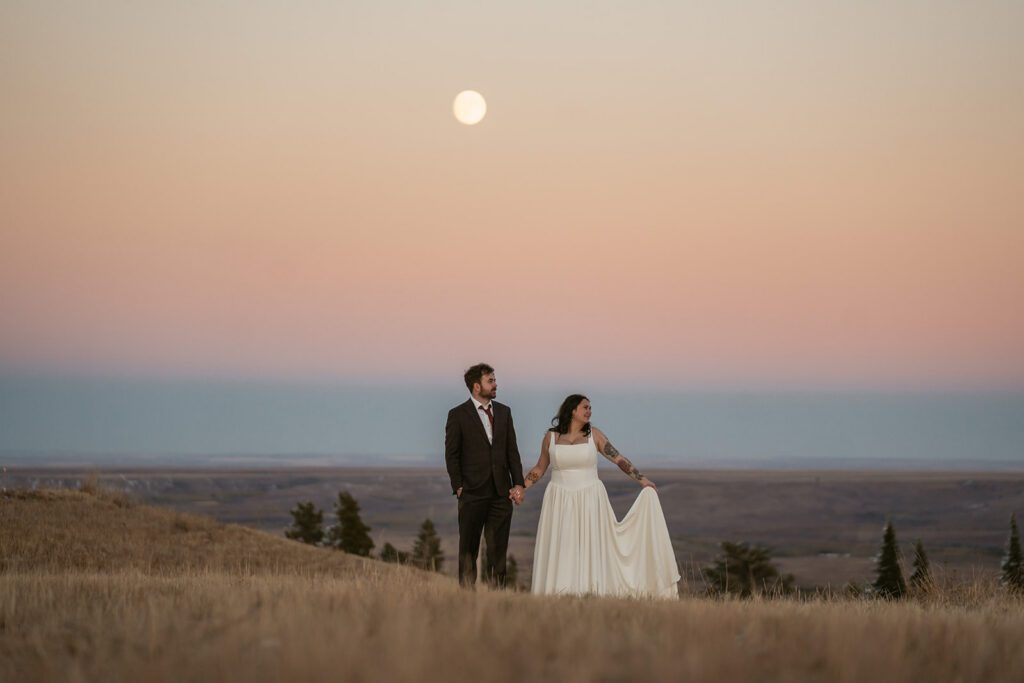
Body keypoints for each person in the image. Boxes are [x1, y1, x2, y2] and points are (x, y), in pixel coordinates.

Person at [523, 394, 680, 598]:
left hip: (590, 498)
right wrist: (521, 487)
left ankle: (590, 593)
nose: (589, 411)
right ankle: (558, 594)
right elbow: (540, 467)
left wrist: (641, 479)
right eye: (585, 407)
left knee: (590, 548)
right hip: (559, 499)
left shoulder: (594, 436)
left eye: (590, 408)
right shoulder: (551, 437)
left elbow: (618, 459)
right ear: (572, 410)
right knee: (562, 548)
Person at [444, 363, 526, 587]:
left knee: (498, 550)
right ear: (476, 386)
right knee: (468, 550)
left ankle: (496, 599)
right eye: (491, 380)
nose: (496, 384)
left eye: (495, 380)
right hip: (471, 492)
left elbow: (512, 452)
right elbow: (452, 455)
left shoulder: (504, 412)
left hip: (501, 493)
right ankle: (467, 600)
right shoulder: (458, 415)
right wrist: (458, 485)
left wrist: (518, 484)